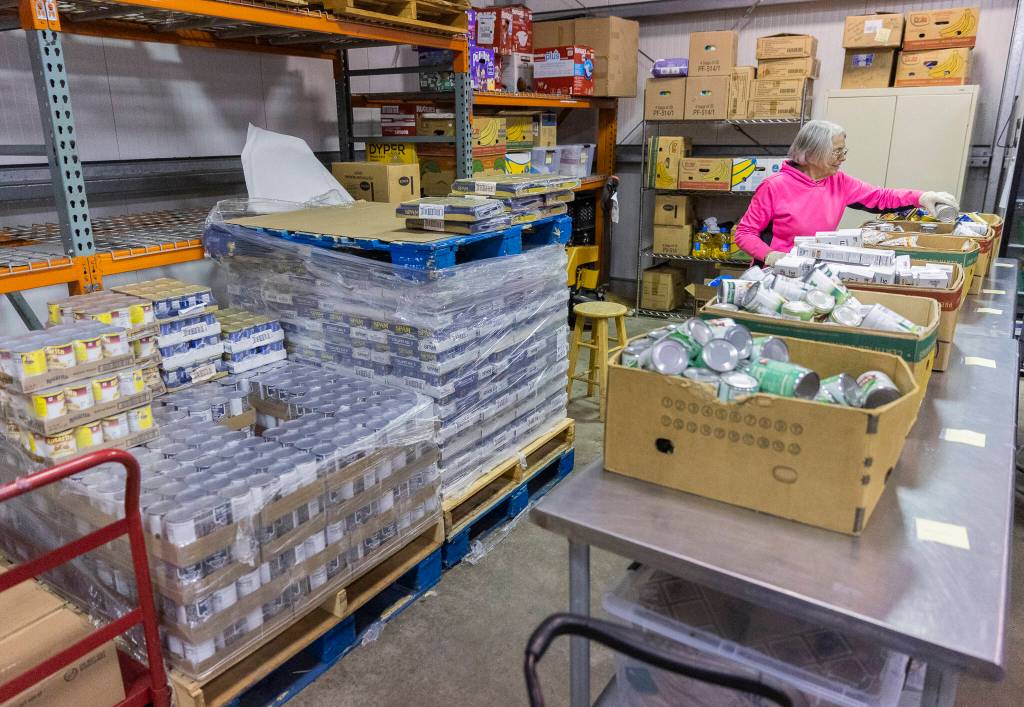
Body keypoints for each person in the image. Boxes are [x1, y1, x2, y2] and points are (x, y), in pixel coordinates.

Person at [733, 120, 959, 266]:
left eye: (844, 151)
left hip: (816, 268)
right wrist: (771, 256)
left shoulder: (838, 182)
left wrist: (920, 197)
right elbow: (745, 233)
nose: (843, 158)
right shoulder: (775, 186)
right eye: (837, 152)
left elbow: (880, 197)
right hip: (775, 272)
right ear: (811, 154)